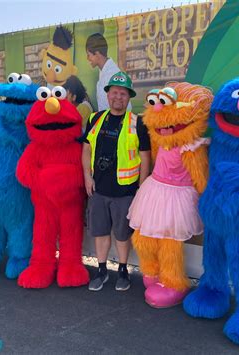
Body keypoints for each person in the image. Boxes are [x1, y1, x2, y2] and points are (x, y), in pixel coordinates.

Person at [81, 72, 151, 291]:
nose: (118, 97)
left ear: (128, 97)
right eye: (114, 92)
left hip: (126, 191)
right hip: (98, 189)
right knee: (100, 232)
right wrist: (87, 176)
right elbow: (86, 149)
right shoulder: (94, 119)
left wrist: (141, 189)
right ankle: (101, 271)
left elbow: (146, 158)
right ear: (108, 95)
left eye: (123, 93)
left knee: (122, 234)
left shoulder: (137, 123)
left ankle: (123, 271)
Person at [85, 33, 131, 112]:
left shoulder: (113, 75)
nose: (87, 58)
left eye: (88, 55)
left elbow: (127, 107)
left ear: (97, 54)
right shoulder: (103, 72)